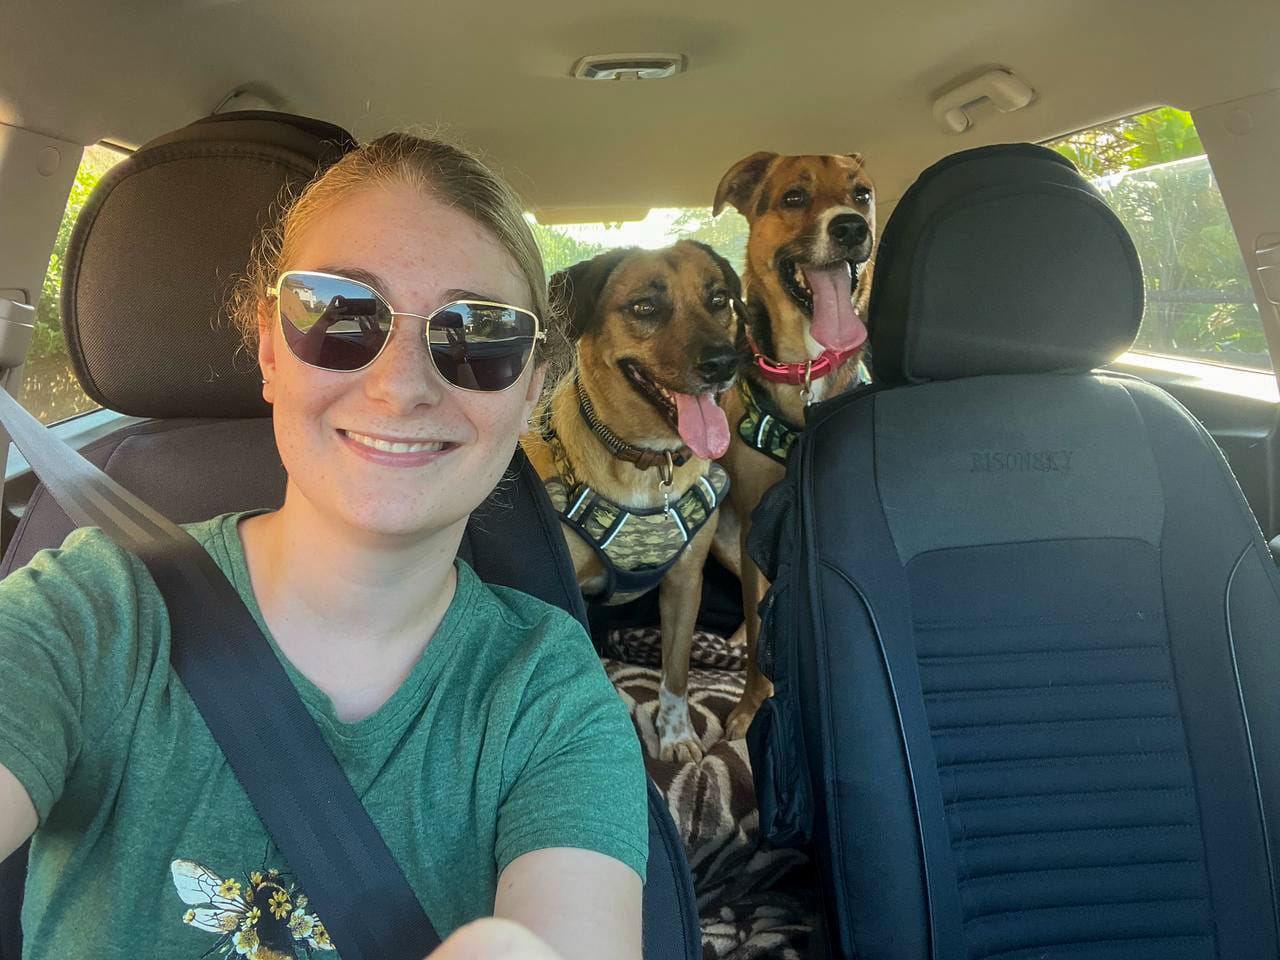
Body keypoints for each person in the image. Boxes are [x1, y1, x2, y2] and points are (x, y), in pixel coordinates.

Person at [0, 133, 647, 959]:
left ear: (531, 390)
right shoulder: (91, 610)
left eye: (477, 335)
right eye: (340, 314)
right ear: (270, 350)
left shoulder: (546, 692)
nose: (401, 385)